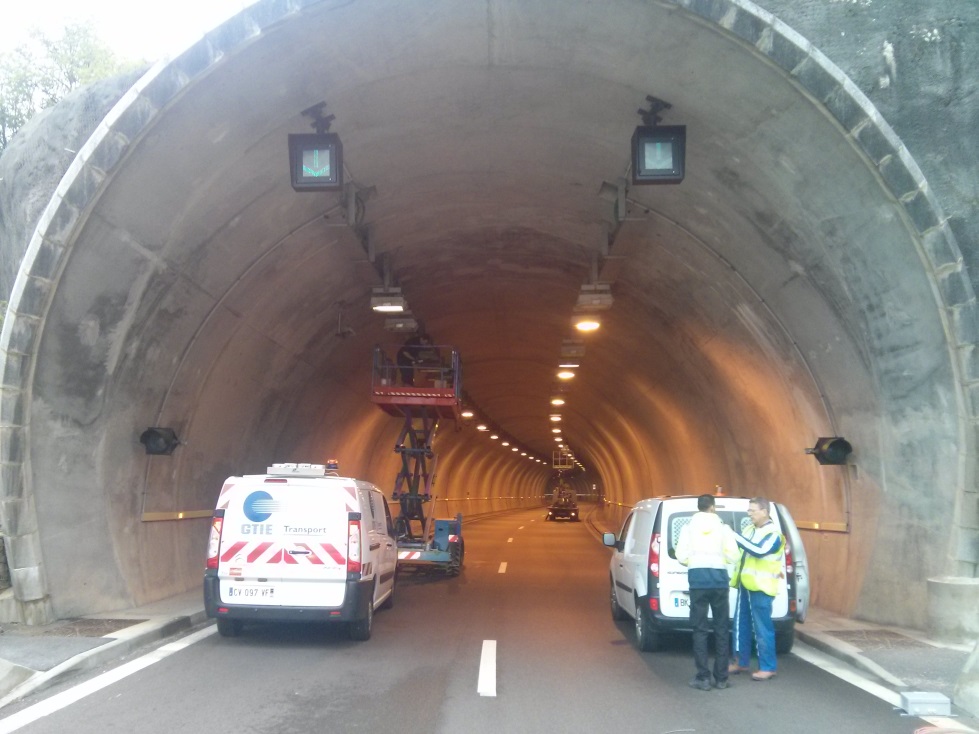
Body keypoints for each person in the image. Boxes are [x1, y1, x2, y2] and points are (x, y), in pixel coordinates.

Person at [675, 494, 740, 691]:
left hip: (698, 581)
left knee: (700, 629)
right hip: (719, 581)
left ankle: (703, 677)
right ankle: (721, 678)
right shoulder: (724, 528)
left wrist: (694, 562)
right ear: (712, 507)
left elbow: (680, 555)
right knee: (721, 629)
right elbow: (734, 556)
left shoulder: (688, 528)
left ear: (699, 508)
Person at [729, 496, 785, 681]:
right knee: (741, 625)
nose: (749, 513)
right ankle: (741, 661)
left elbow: (759, 551)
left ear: (764, 512)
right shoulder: (749, 529)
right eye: (749, 510)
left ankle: (768, 667)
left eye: (753, 510)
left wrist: (734, 536)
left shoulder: (773, 534)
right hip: (745, 584)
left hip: (762, 587)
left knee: (762, 628)